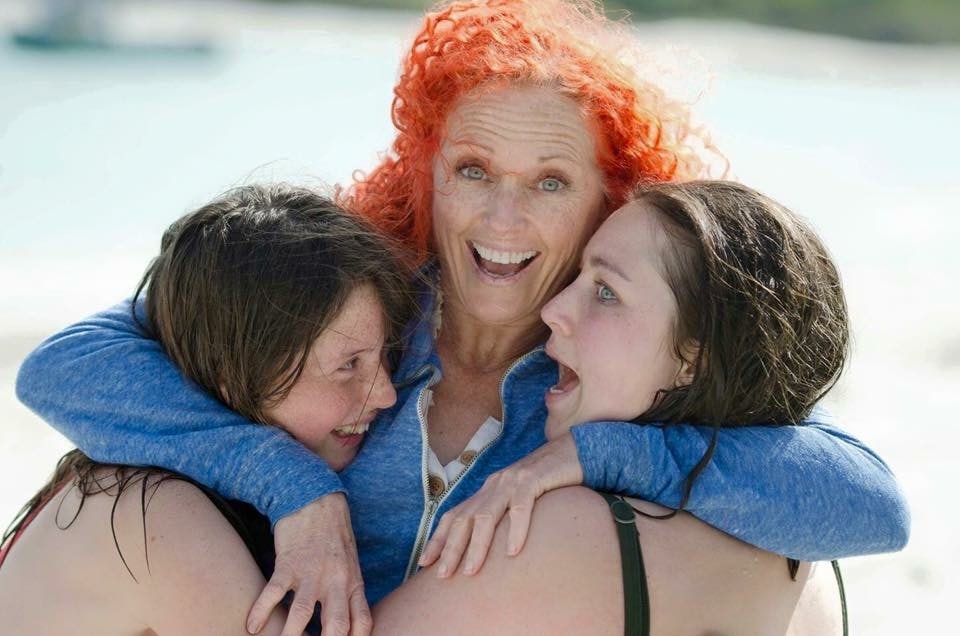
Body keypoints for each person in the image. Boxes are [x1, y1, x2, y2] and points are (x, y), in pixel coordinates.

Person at [15, 2, 909, 635]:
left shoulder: (617, 366)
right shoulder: (346, 293)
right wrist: (293, 485)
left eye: (550, 182)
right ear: (427, 171)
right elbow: (69, 364)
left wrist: (595, 454)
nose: (502, 220)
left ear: (609, 198)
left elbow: (866, 504)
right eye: (474, 170)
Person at [386, 180, 853, 634]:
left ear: (694, 360)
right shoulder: (813, 558)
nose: (553, 310)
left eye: (606, 292)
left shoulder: (558, 532)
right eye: (576, 278)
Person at [1, 184, 411, 634]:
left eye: (384, 354)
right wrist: (294, 483)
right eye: (348, 365)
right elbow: (57, 362)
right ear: (233, 376)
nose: (385, 395)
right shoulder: (159, 517)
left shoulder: (164, 477)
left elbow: (197, 318)